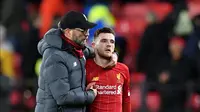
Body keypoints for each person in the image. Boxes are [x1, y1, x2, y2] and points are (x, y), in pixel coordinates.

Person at [35, 11, 99, 112]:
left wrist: (114, 55)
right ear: (68, 32)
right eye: (82, 30)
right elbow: (63, 97)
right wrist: (91, 94)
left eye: (88, 30)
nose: (87, 34)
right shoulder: (55, 56)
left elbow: (95, 52)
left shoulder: (75, 48)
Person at [86, 27, 131, 112]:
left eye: (112, 42)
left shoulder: (123, 69)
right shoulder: (85, 67)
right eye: (104, 41)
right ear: (93, 45)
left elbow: (126, 101)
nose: (109, 44)